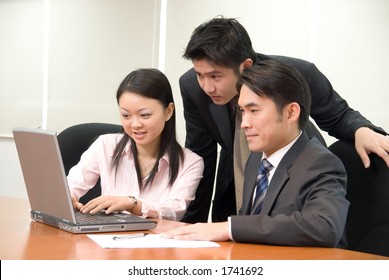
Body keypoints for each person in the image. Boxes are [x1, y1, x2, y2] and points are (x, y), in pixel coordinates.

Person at [179, 16, 389, 223]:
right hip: (239, 169)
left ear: (246, 66)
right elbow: (200, 157)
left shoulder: (296, 74)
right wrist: (188, 230)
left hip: (294, 169)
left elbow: (337, 115)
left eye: (215, 76)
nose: (207, 87)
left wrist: (361, 130)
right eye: (200, 75)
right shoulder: (192, 87)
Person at [162, 61, 349, 247]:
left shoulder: (321, 163)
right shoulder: (256, 160)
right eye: (242, 111)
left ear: (291, 113)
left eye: (254, 111)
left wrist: (229, 228)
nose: (244, 123)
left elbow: (324, 226)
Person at [68, 68, 204, 221]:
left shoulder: (190, 163)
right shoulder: (104, 145)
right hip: (106, 239)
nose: (135, 124)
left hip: (155, 242)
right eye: (126, 115)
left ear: (168, 111)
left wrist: (132, 204)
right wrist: (69, 197)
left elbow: (173, 211)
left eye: (145, 115)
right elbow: (70, 186)